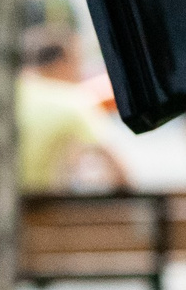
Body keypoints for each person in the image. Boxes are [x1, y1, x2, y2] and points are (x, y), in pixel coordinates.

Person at [19, 35, 130, 192]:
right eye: (79, 61)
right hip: (40, 208)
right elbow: (117, 167)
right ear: (62, 62)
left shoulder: (7, 95)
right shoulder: (71, 99)